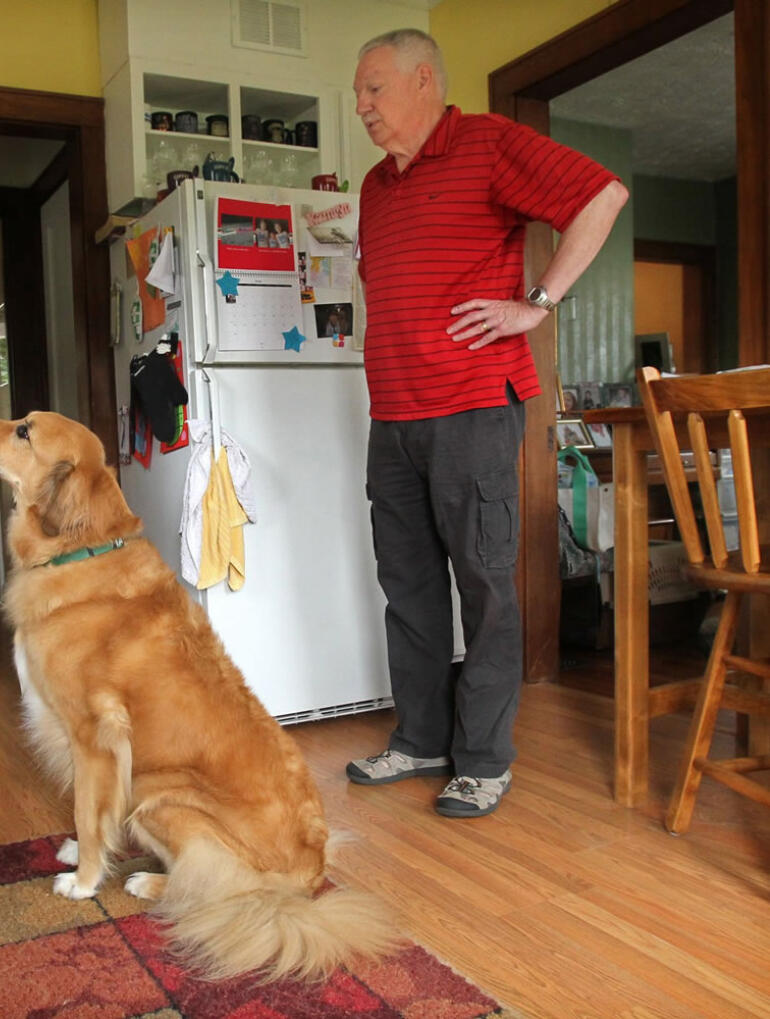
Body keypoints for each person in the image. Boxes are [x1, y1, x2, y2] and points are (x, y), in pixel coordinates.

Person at [345, 30, 628, 817]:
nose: (361, 104)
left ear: (424, 78)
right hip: (393, 414)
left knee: (485, 586)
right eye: (359, 92)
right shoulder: (374, 186)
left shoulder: (487, 143)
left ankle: (483, 759)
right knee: (408, 587)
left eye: (374, 88)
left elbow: (601, 195)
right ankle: (422, 737)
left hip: (472, 405)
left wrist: (534, 305)